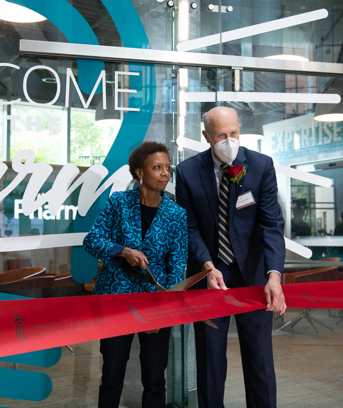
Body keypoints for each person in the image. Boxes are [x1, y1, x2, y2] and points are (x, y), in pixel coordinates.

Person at [175, 106, 287, 408]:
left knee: (260, 358)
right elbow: (189, 226)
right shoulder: (187, 172)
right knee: (210, 360)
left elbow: (271, 225)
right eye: (221, 135)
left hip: (254, 277)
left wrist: (274, 276)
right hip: (209, 277)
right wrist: (207, 266)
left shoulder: (261, 166)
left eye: (234, 133)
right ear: (206, 136)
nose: (229, 140)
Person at [83, 141, 188, 408]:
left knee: (155, 378)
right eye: (157, 167)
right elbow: (91, 240)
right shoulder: (119, 202)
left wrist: (164, 313)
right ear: (140, 172)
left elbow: (176, 268)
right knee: (112, 375)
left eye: (167, 168)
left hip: (155, 303)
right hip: (116, 301)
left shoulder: (176, 214)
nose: (165, 173)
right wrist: (122, 250)